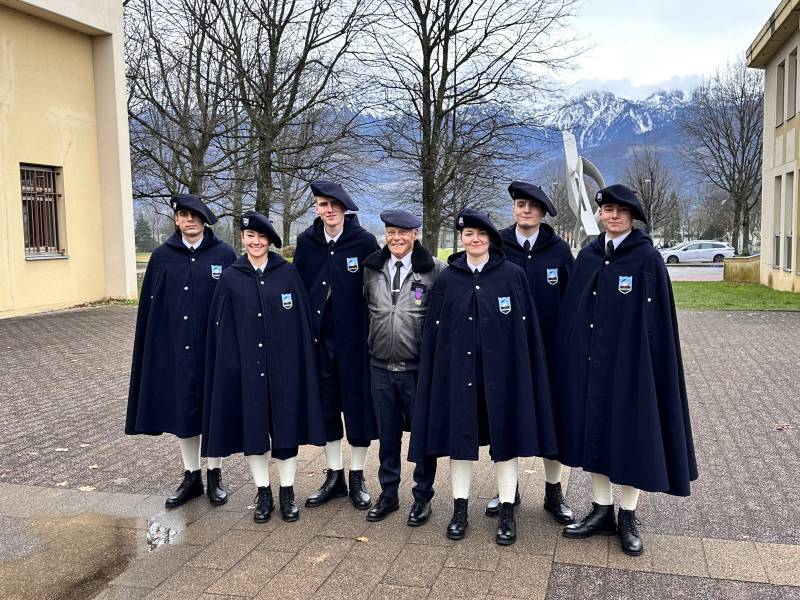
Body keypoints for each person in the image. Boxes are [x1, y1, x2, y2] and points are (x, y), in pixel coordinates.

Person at [555, 184, 698, 556]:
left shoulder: (646, 259)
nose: (613, 216)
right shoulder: (587, 257)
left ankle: (628, 515)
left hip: (633, 370)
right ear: (600, 214)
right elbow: (573, 314)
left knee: (630, 437)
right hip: (590, 367)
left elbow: (658, 324)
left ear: (632, 217)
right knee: (595, 434)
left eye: (620, 211)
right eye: (607, 210)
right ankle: (602, 510)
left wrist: (648, 368)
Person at [409, 208, 558, 546]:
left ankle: (507, 509)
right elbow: (436, 334)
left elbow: (525, 332)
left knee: (505, 443)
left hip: (502, 379)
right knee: (459, 442)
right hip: (460, 377)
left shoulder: (512, 275)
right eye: (467, 235)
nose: (474, 240)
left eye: (480, 234)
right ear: (460, 239)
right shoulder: (448, 278)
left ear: (490, 238)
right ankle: (459, 507)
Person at [202, 211, 326, 523]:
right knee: (254, 431)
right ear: (242, 239)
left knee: (286, 431)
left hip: (284, 370)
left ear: (270, 241)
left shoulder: (287, 274)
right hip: (247, 370)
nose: (256, 242)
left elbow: (301, 324)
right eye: (250, 237)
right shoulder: (231, 277)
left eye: (261, 237)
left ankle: (287, 491)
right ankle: (264, 492)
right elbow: (221, 329)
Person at [126, 194, 236, 508]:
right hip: (178, 350)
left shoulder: (224, 254)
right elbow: (151, 307)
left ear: (204, 220)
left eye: (195, 215)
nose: (189, 220)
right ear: (176, 219)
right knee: (184, 410)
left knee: (211, 409)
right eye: (183, 215)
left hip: (214, 350)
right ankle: (192, 476)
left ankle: (215, 474)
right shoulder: (162, 257)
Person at [484, 182, 575, 524]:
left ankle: (554, 492)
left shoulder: (559, 252)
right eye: (520, 204)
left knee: (553, 422)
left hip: (551, 354)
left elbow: (573, 305)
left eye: (533, 206)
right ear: (513, 208)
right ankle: (509, 489)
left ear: (542, 213)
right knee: (505, 420)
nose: (526, 210)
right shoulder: (499, 246)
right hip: (507, 353)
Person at [293, 181, 380, 510]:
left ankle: (357, 475)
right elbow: (299, 289)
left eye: (333, 204)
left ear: (344, 208)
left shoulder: (364, 241)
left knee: (357, 407)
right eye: (321, 204)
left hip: (355, 340)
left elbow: (376, 289)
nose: (328, 210)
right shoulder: (307, 242)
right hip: (319, 340)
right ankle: (334, 476)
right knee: (326, 407)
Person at [362, 209, 444, 525]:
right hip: (380, 367)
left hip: (418, 370)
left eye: (403, 232)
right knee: (388, 436)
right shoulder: (372, 269)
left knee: (422, 436)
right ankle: (389, 495)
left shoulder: (434, 270)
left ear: (415, 234)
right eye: (391, 232)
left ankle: (423, 497)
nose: (396, 238)